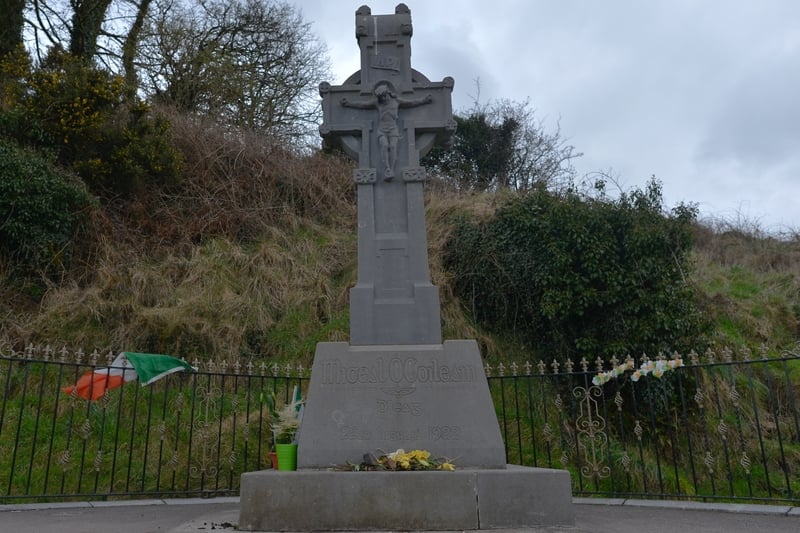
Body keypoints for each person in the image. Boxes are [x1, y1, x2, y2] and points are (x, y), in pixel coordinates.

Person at [341, 81, 432, 180]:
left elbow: (411, 103)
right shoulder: (377, 103)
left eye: (385, 96)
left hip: (393, 129)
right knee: (384, 146)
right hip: (382, 129)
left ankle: (391, 169)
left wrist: (424, 100)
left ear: (388, 93)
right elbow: (363, 104)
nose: (384, 99)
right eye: (381, 98)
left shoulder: (396, 101)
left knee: (393, 147)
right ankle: (387, 168)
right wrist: (349, 103)